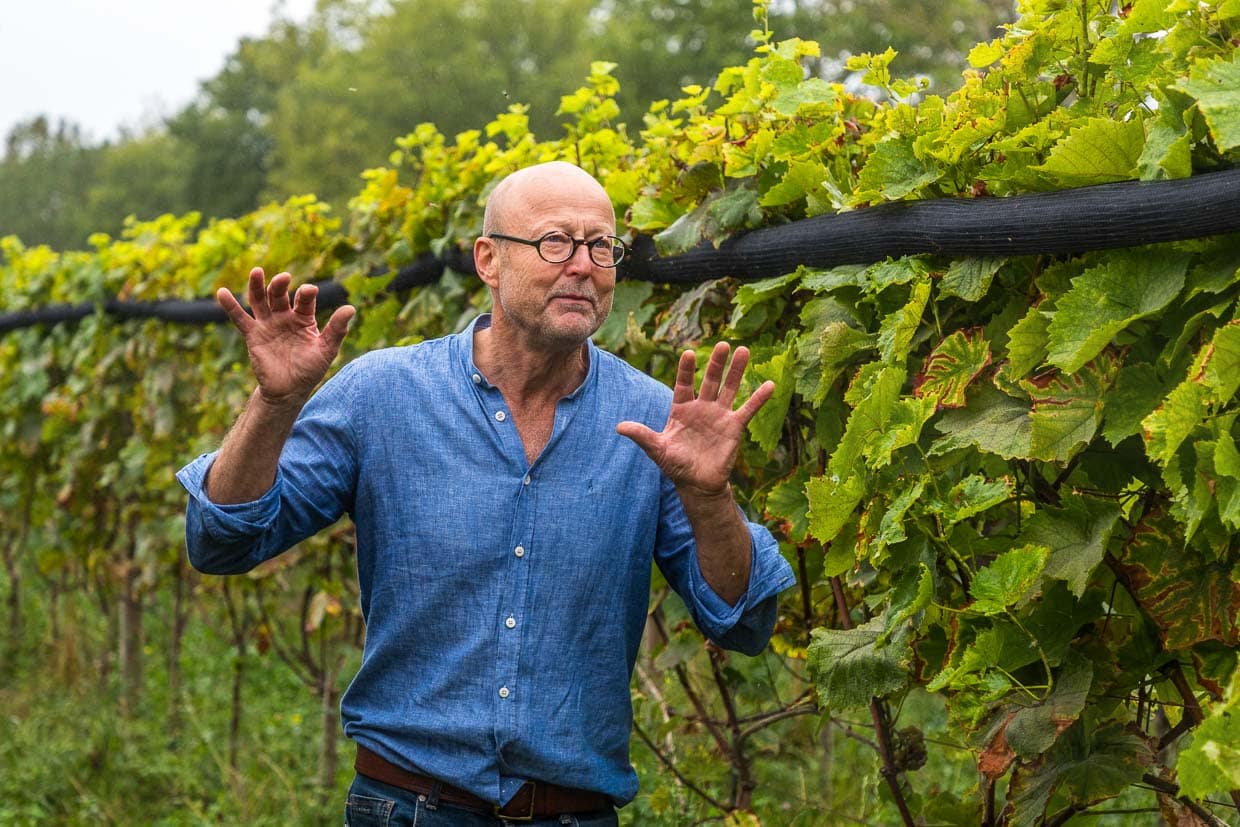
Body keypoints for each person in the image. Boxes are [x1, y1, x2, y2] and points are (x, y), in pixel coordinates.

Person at [177, 161, 795, 825]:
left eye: (600, 246)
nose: (582, 265)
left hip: (574, 812)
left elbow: (744, 621)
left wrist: (707, 497)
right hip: (408, 806)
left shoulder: (653, 422)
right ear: (488, 260)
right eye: (555, 241)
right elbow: (222, 540)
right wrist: (275, 403)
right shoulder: (383, 394)